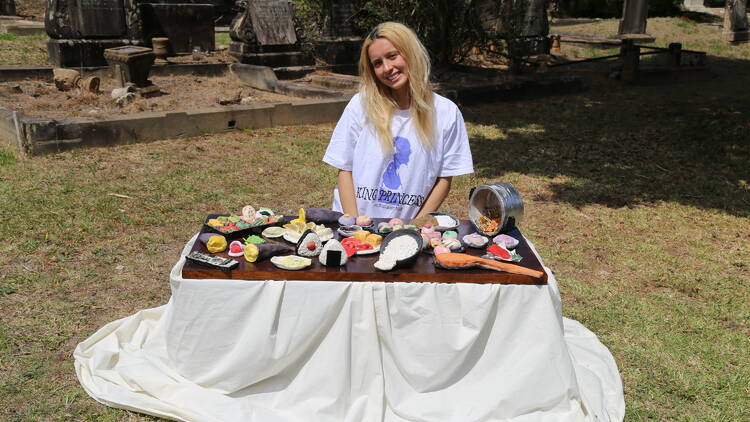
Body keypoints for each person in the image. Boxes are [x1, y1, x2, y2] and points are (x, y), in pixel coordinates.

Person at [323, 22, 474, 220]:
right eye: (377, 63)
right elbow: (345, 169)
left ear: (410, 52)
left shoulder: (446, 113)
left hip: (405, 229)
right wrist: (354, 223)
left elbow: (444, 178)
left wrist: (416, 224)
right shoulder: (360, 105)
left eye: (392, 56)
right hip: (356, 224)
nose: (387, 68)